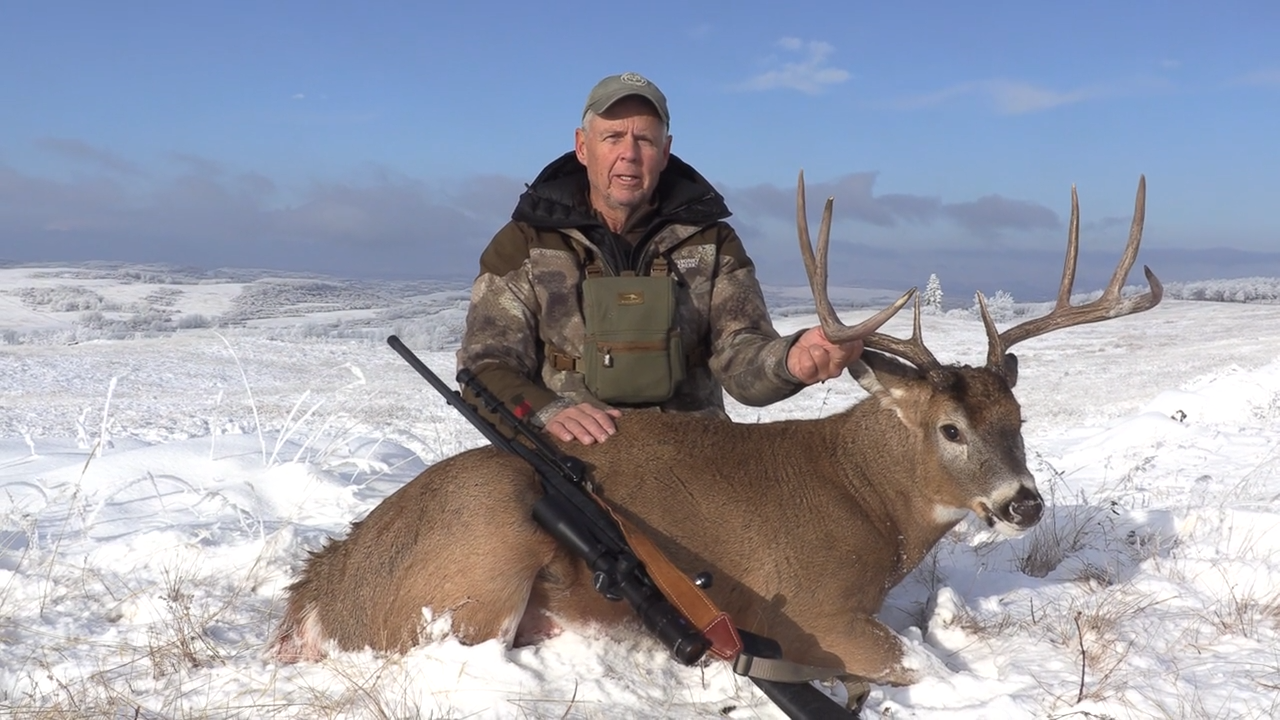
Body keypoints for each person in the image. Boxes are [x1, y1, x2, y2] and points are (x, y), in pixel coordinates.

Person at [458, 72, 862, 445]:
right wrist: (544, 411)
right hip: (573, 457)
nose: (629, 154)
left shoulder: (712, 240)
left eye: (645, 140)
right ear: (583, 147)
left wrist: (789, 360)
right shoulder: (525, 242)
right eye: (612, 137)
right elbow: (485, 365)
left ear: (665, 151)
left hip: (694, 455)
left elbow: (740, 354)